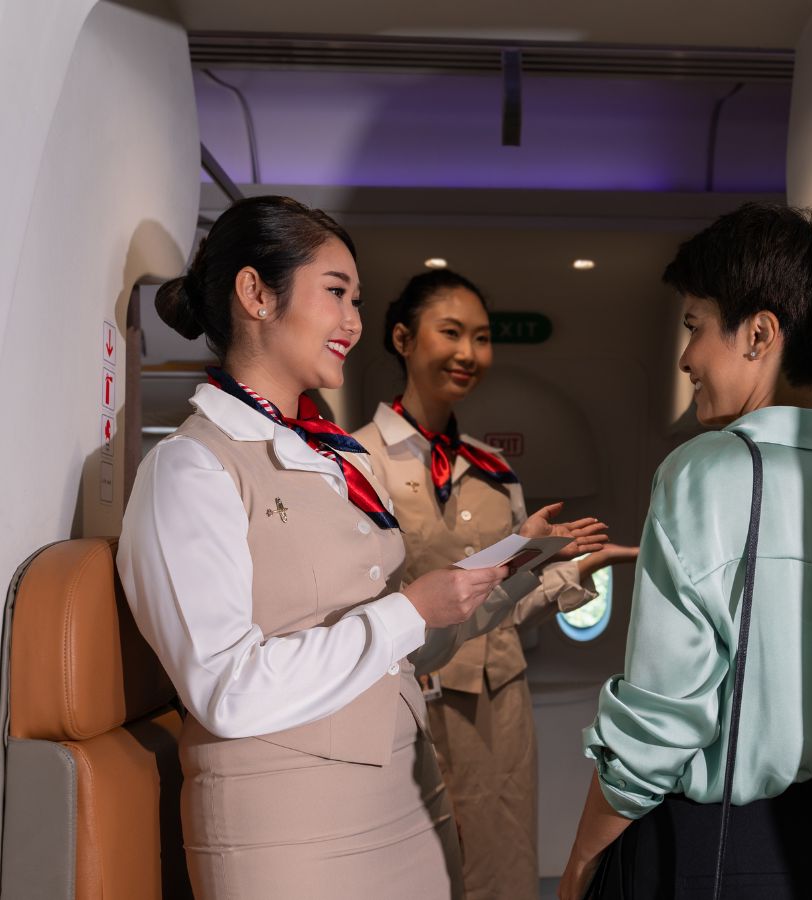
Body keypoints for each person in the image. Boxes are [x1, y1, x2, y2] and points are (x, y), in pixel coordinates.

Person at [117, 196, 599, 900]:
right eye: (337, 294)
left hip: (404, 794)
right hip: (291, 826)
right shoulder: (191, 468)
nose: (353, 322)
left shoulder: (333, 461)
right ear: (256, 293)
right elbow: (226, 688)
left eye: (358, 300)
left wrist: (508, 571)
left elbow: (398, 646)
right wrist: (408, 610)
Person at [559, 203, 812, 899]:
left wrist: (583, 856)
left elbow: (661, 721)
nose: (686, 358)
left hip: (723, 846)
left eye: (695, 326)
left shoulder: (704, 473)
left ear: (759, 333)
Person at [351, 269, 639, 900]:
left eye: (481, 339)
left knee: (502, 872)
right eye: (450, 332)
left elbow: (509, 598)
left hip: (495, 701)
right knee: (406, 870)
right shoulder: (357, 458)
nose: (468, 354)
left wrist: (575, 571)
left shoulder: (494, 470)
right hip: (402, 694)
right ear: (402, 338)